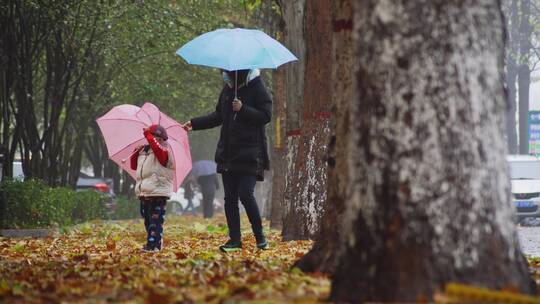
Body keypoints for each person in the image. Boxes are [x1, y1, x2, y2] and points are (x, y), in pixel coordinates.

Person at [183, 68, 271, 252]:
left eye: (226, 71)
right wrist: (195, 123)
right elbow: (218, 116)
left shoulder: (257, 87)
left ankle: (260, 237)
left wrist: (243, 109)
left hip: (250, 153)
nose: (223, 73)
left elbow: (265, 116)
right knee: (229, 198)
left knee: (246, 195)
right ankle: (234, 240)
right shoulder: (228, 89)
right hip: (228, 154)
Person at [130, 124, 173, 252]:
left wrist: (149, 135)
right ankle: (151, 242)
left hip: (158, 192)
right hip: (145, 192)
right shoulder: (145, 151)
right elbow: (133, 166)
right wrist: (135, 153)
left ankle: (155, 245)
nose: (156, 140)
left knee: (156, 221)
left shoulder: (164, 151)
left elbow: (159, 152)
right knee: (148, 221)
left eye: (159, 138)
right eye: (155, 138)